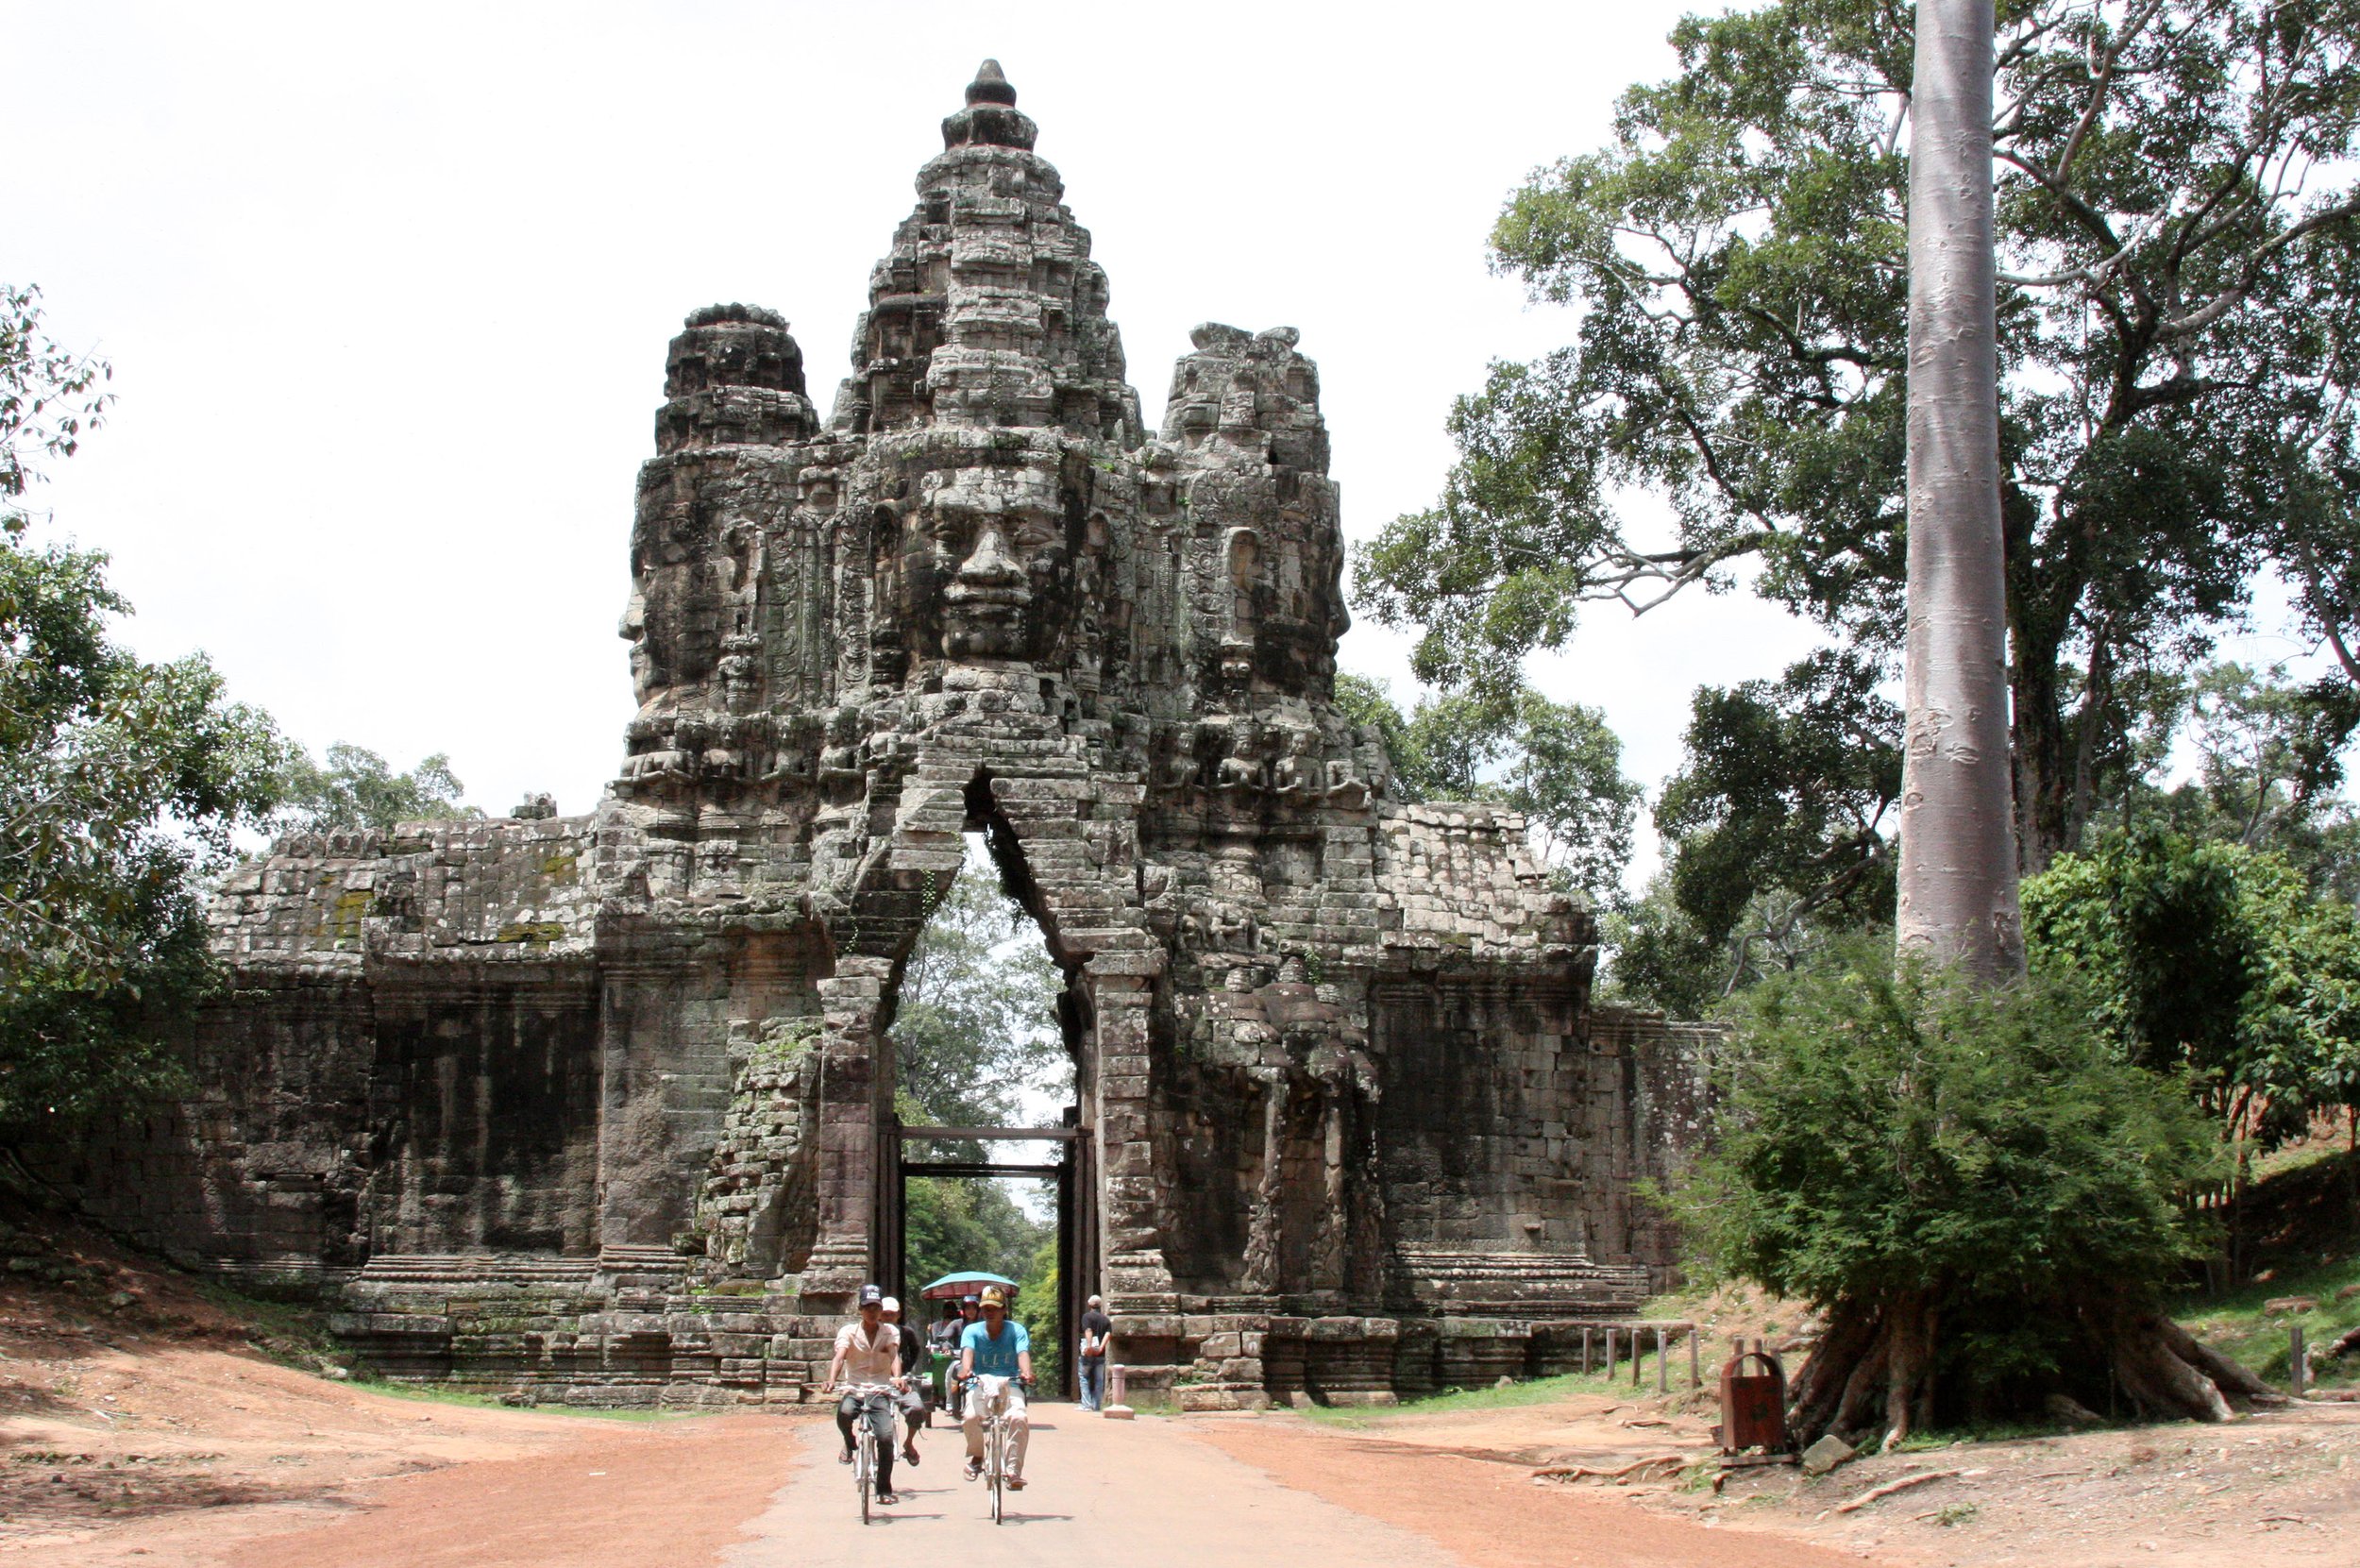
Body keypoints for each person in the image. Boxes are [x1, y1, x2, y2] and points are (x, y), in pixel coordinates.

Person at [823, 1283, 901, 1505]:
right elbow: (840, 1356)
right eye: (868, 1307)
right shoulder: (848, 1332)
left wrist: (896, 1377)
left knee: (886, 1437)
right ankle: (849, 1442)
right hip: (855, 1388)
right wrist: (831, 1380)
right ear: (860, 1309)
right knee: (845, 1413)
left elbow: (894, 1356)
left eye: (876, 1307)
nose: (872, 1312)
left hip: (879, 1390)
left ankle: (884, 1489)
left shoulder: (890, 1332)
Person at [957, 1286, 1033, 1489]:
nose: (990, 1312)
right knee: (971, 1417)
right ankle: (977, 1456)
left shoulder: (1016, 1330)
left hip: (1010, 1382)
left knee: (1019, 1418)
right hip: (980, 1383)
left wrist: (1026, 1372)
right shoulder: (972, 1331)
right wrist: (965, 1370)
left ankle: (1013, 1471)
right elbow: (968, 1353)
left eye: (994, 1308)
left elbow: (1022, 1353)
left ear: (1003, 1310)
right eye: (986, 1308)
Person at [882, 1294, 927, 1464]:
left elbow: (915, 1351)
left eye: (891, 1314)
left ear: (898, 1314)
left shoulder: (906, 1333)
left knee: (916, 1408)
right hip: (877, 1381)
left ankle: (908, 1442)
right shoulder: (872, 1332)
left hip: (900, 1380)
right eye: (885, 1314)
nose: (888, 1317)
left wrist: (905, 1371)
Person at [1077, 1293, 1113, 1411]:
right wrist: (1101, 1348)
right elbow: (1108, 1334)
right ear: (1100, 1305)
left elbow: (1088, 1330)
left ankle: (1086, 1405)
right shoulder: (1106, 1319)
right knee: (1099, 1380)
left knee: (1084, 1377)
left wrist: (1089, 1347)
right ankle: (1096, 1405)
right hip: (1100, 1354)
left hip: (1088, 1353)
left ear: (1089, 1305)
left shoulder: (1087, 1317)